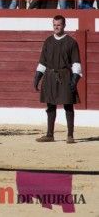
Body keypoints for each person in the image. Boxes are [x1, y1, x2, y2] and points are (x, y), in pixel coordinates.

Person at [34, 15, 81, 144]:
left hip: (65, 75)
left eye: (59, 24)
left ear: (64, 25)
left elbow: (76, 63)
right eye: (54, 24)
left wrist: (75, 78)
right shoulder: (48, 41)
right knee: (50, 105)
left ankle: (70, 135)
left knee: (68, 105)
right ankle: (50, 135)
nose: (56, 27)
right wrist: (38, 76)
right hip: (49, 76)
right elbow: (43, 61)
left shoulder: (71, 42)